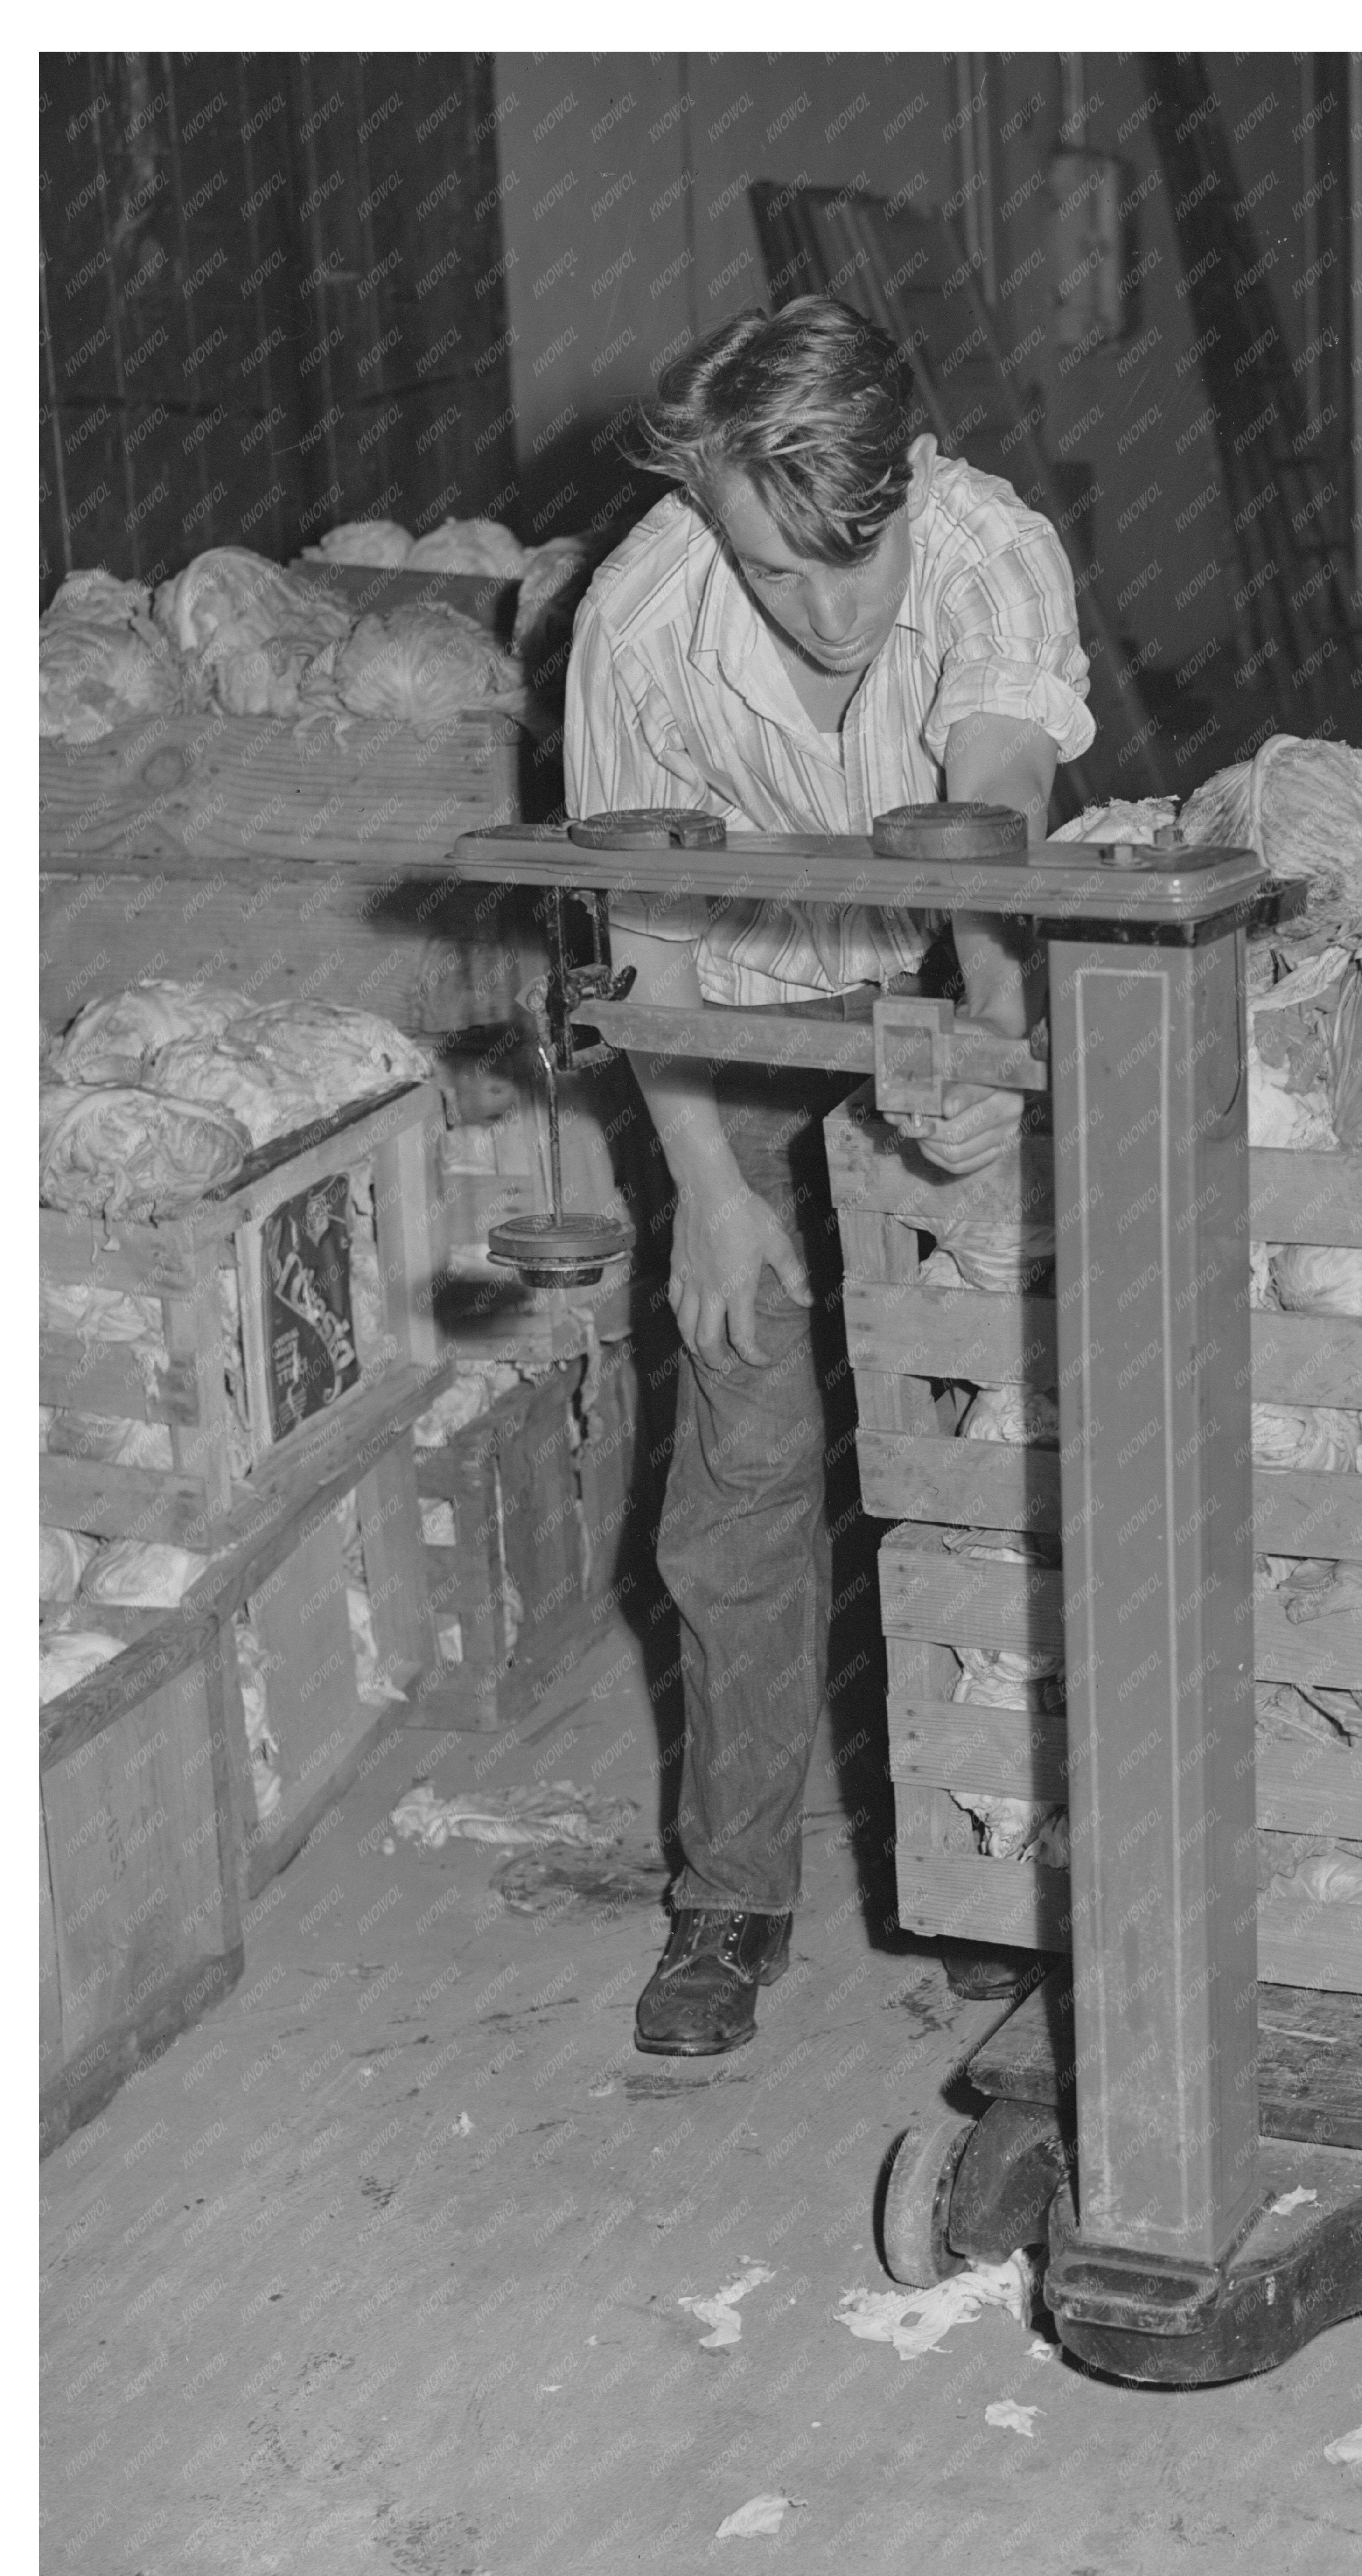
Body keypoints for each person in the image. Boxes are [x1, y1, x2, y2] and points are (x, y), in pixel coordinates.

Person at [563, 296, 1094, 2058]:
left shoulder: (986, 551)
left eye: (834, 574)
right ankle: (729, 1893)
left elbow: (995, 794)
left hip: (947, 980)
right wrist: (706, 1183)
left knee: (988, 1448)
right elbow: (641, 925)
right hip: (736, 1027)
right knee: (749, 1449)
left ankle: (995, 1875)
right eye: (760, 568)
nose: (805, 612)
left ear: (909, 486)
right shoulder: (641, 615)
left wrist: (993, 1029)